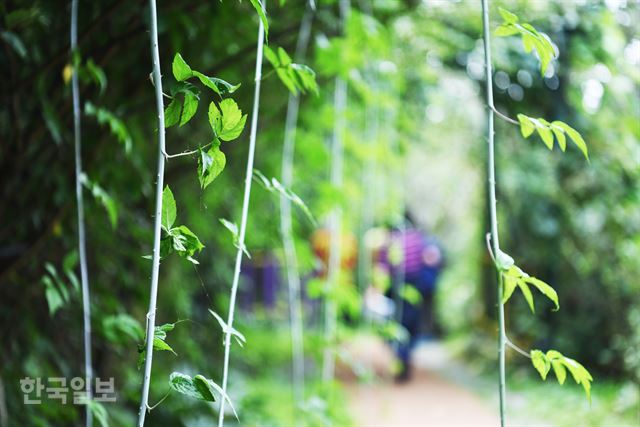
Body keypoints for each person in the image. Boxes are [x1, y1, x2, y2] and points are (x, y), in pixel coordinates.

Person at [380, 213, 444, 382]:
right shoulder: (419, 240)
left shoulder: (392, 240)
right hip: (414, 289)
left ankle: (401, 360)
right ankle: (405, 360)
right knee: (411, 327)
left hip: (396, 289)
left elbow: (383, 266)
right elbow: (431, 260)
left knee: (398, 325)